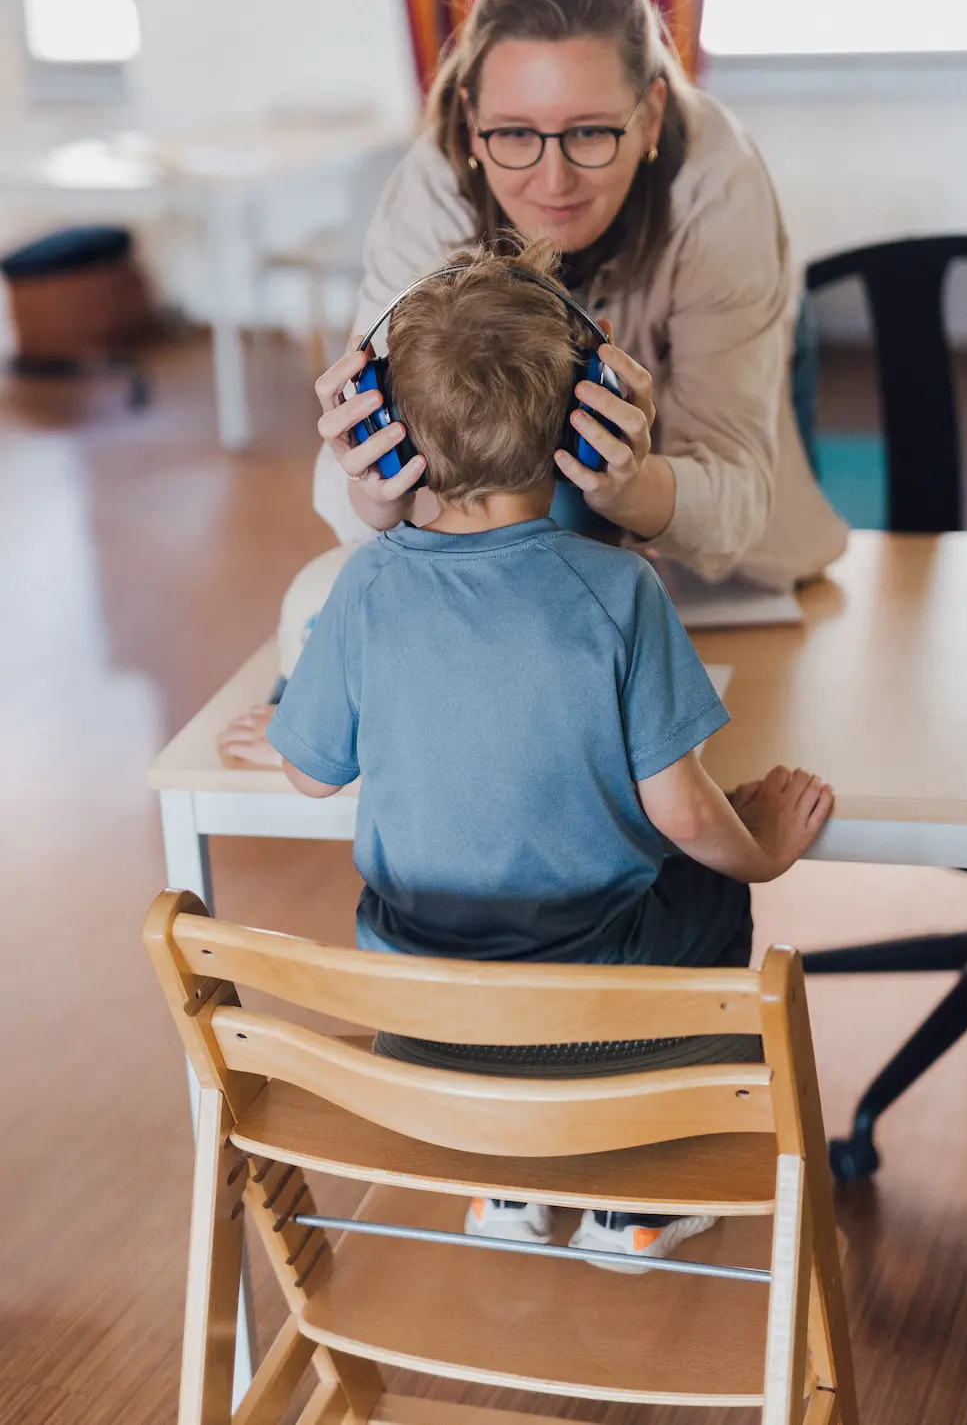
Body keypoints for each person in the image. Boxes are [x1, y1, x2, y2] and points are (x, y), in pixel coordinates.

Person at [267, 241, 834, 1270]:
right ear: (584, 414)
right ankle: (635, 1201)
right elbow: (683, 814)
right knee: (705, 897)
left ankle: (509, 1182)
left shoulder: (365, 587)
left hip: (428, 1026)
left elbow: (309, 770)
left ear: (389, 429)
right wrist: (762, 848)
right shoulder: (617, 593)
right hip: (599, 1021)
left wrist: (285, 713)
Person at [220, 0, 846, 766]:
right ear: (473, 120)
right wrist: (371, 492)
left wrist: (634, 487)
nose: (553, 180)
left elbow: (734, 506)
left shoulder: (715, 187)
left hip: (708, 539)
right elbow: (357, 498)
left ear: (651, 116)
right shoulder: (432, 190)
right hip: (529, 561)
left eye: (590, 132)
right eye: (514, 134)